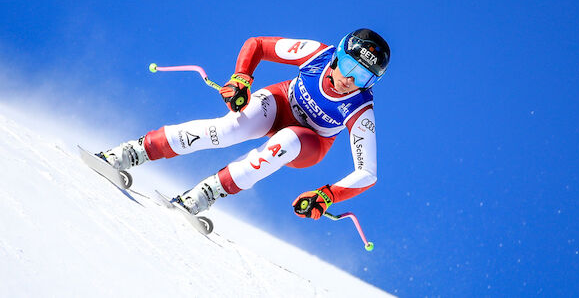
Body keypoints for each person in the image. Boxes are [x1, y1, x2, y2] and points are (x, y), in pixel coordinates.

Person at [97, 28, 390, 220]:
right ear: (338, 56)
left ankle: (206, 193)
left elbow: (367, 172)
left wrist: (327, 195)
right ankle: (132, 152)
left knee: (284, 143)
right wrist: (242, 77)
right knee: (227, 130)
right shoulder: (316, 54)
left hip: (309, 142)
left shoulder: (360, 107)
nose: (349, 81)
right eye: (350, 67)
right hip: (281, 103)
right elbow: (258, 45)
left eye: (363, 77)